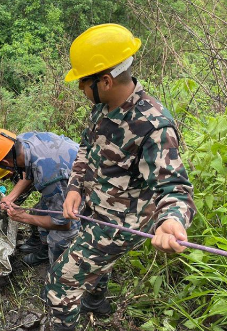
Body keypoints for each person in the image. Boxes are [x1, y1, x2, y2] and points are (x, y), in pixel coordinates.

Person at [43, 23, 197, 331]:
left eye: (83, 82)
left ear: (106, 80)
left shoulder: (152, 125)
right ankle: (96, 302)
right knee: (95, 266)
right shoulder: (102, 108)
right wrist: (75, 187)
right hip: (95, 208)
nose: (79, 89)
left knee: (59, 283)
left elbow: (175, 187)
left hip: (121, 223)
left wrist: (173, 220)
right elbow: (86, 148)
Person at [0, 129, 81, 266]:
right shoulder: (21, 141)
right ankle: (44, 251)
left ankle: (59, 272)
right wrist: (11, 197)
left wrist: (24, 218)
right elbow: (29, 169)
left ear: (7, 164)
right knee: (38, 211)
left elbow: (63, 223)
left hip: (84, 187)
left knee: (58, 239)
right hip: (66, 174)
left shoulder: (51, 178)